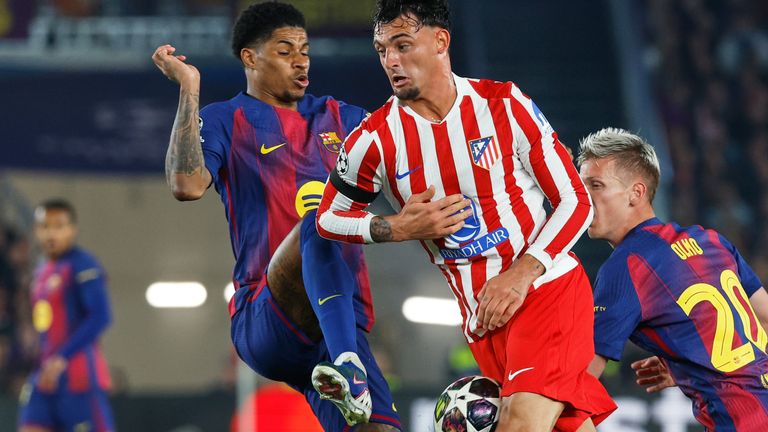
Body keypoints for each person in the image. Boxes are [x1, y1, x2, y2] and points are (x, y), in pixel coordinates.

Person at [316, 1, 616, 430]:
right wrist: (394, 227)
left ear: (441, 42)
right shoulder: (374, 139)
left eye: (403, 45)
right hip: (483, 321)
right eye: (382, 50)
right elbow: (328, 218)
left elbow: (575, 201)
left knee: (519, 424)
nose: (392, 61)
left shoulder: (505, 105)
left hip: (544, 291)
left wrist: (521, 273)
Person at [151, 2, 401, 430]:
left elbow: (411, 171)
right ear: (250, 57)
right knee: (322, 218)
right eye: (285, 50)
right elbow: (186, 185)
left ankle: (345, 368)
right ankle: (347, 365)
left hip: (340, 320)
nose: (301, 59)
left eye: (305, 49)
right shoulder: (226, 119)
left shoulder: (344, 119)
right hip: (268, 314)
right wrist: (189, 87)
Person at [579, 127, 768, 430]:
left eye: (595, 185)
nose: (581, 195)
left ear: (636, 193)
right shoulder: (711, 240)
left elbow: (581, 373)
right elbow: (764, 317)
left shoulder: (628, 265)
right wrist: (694, 360)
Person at [18, 199, 114, 432]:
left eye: (59, 226)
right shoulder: (41, 270)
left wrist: (61, 357)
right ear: (36, 231)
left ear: (72, 229)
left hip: (78, 379)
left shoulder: (83, 265)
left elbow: (101, 316)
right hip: (43, 378)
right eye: (45, 226)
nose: (52, 233)